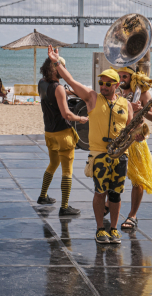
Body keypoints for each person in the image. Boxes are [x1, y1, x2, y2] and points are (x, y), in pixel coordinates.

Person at [47, 46, 140, 245]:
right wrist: (57, 63)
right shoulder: (92, 98)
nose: (103, 86)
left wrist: (137, 135)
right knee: (100, 192)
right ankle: (100, 229)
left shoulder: (125, 104)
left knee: (115, 194)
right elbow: (71, 81)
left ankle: (113, 229)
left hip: (120, 156)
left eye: (108, 84)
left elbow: (131, 129)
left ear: (116, 85)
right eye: (101, 83)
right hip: (99, 155)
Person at [113, 67, 152, 230]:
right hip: (119, 138)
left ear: (132, 77)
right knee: (114, 175)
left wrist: (139, 109)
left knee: (138, 179)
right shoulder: (117, 92)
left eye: (125, 76)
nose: (122, 79)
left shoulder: (142, 93)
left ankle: (132, 215)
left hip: (136, 139)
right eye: (120, 76)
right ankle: (110, 204)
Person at [37, 57, 87, 216]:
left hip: (49, 133)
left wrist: (70, 92)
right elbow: (66, 113)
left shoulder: (42, 83)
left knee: (52, 164)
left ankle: (43, 196)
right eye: (62, 68)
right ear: (56, 69)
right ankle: (65, 207)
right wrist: (80, 119)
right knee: (67, 171)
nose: (64, 71)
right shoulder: (58, 88)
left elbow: (55, 93)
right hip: (63, 134)